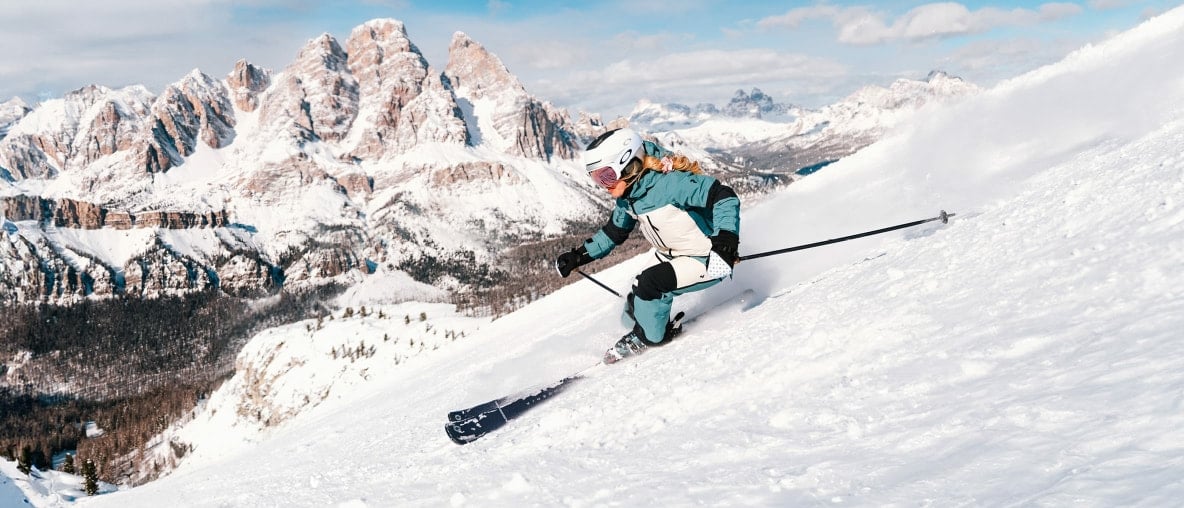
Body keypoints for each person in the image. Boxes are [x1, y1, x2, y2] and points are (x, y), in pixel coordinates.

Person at [555, 128, 740, 363]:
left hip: (707, 257)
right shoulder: (629, 195)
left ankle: (650, 339)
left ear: (628, 163)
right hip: (670, 255)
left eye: (606, 176)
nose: (603, 185)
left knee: (650, 285)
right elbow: (614, 232)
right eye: (596, 177)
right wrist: (579, 256)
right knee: (634, 303)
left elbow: (723, 196)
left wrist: (725, 242)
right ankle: (645, 327)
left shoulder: (671, 184)